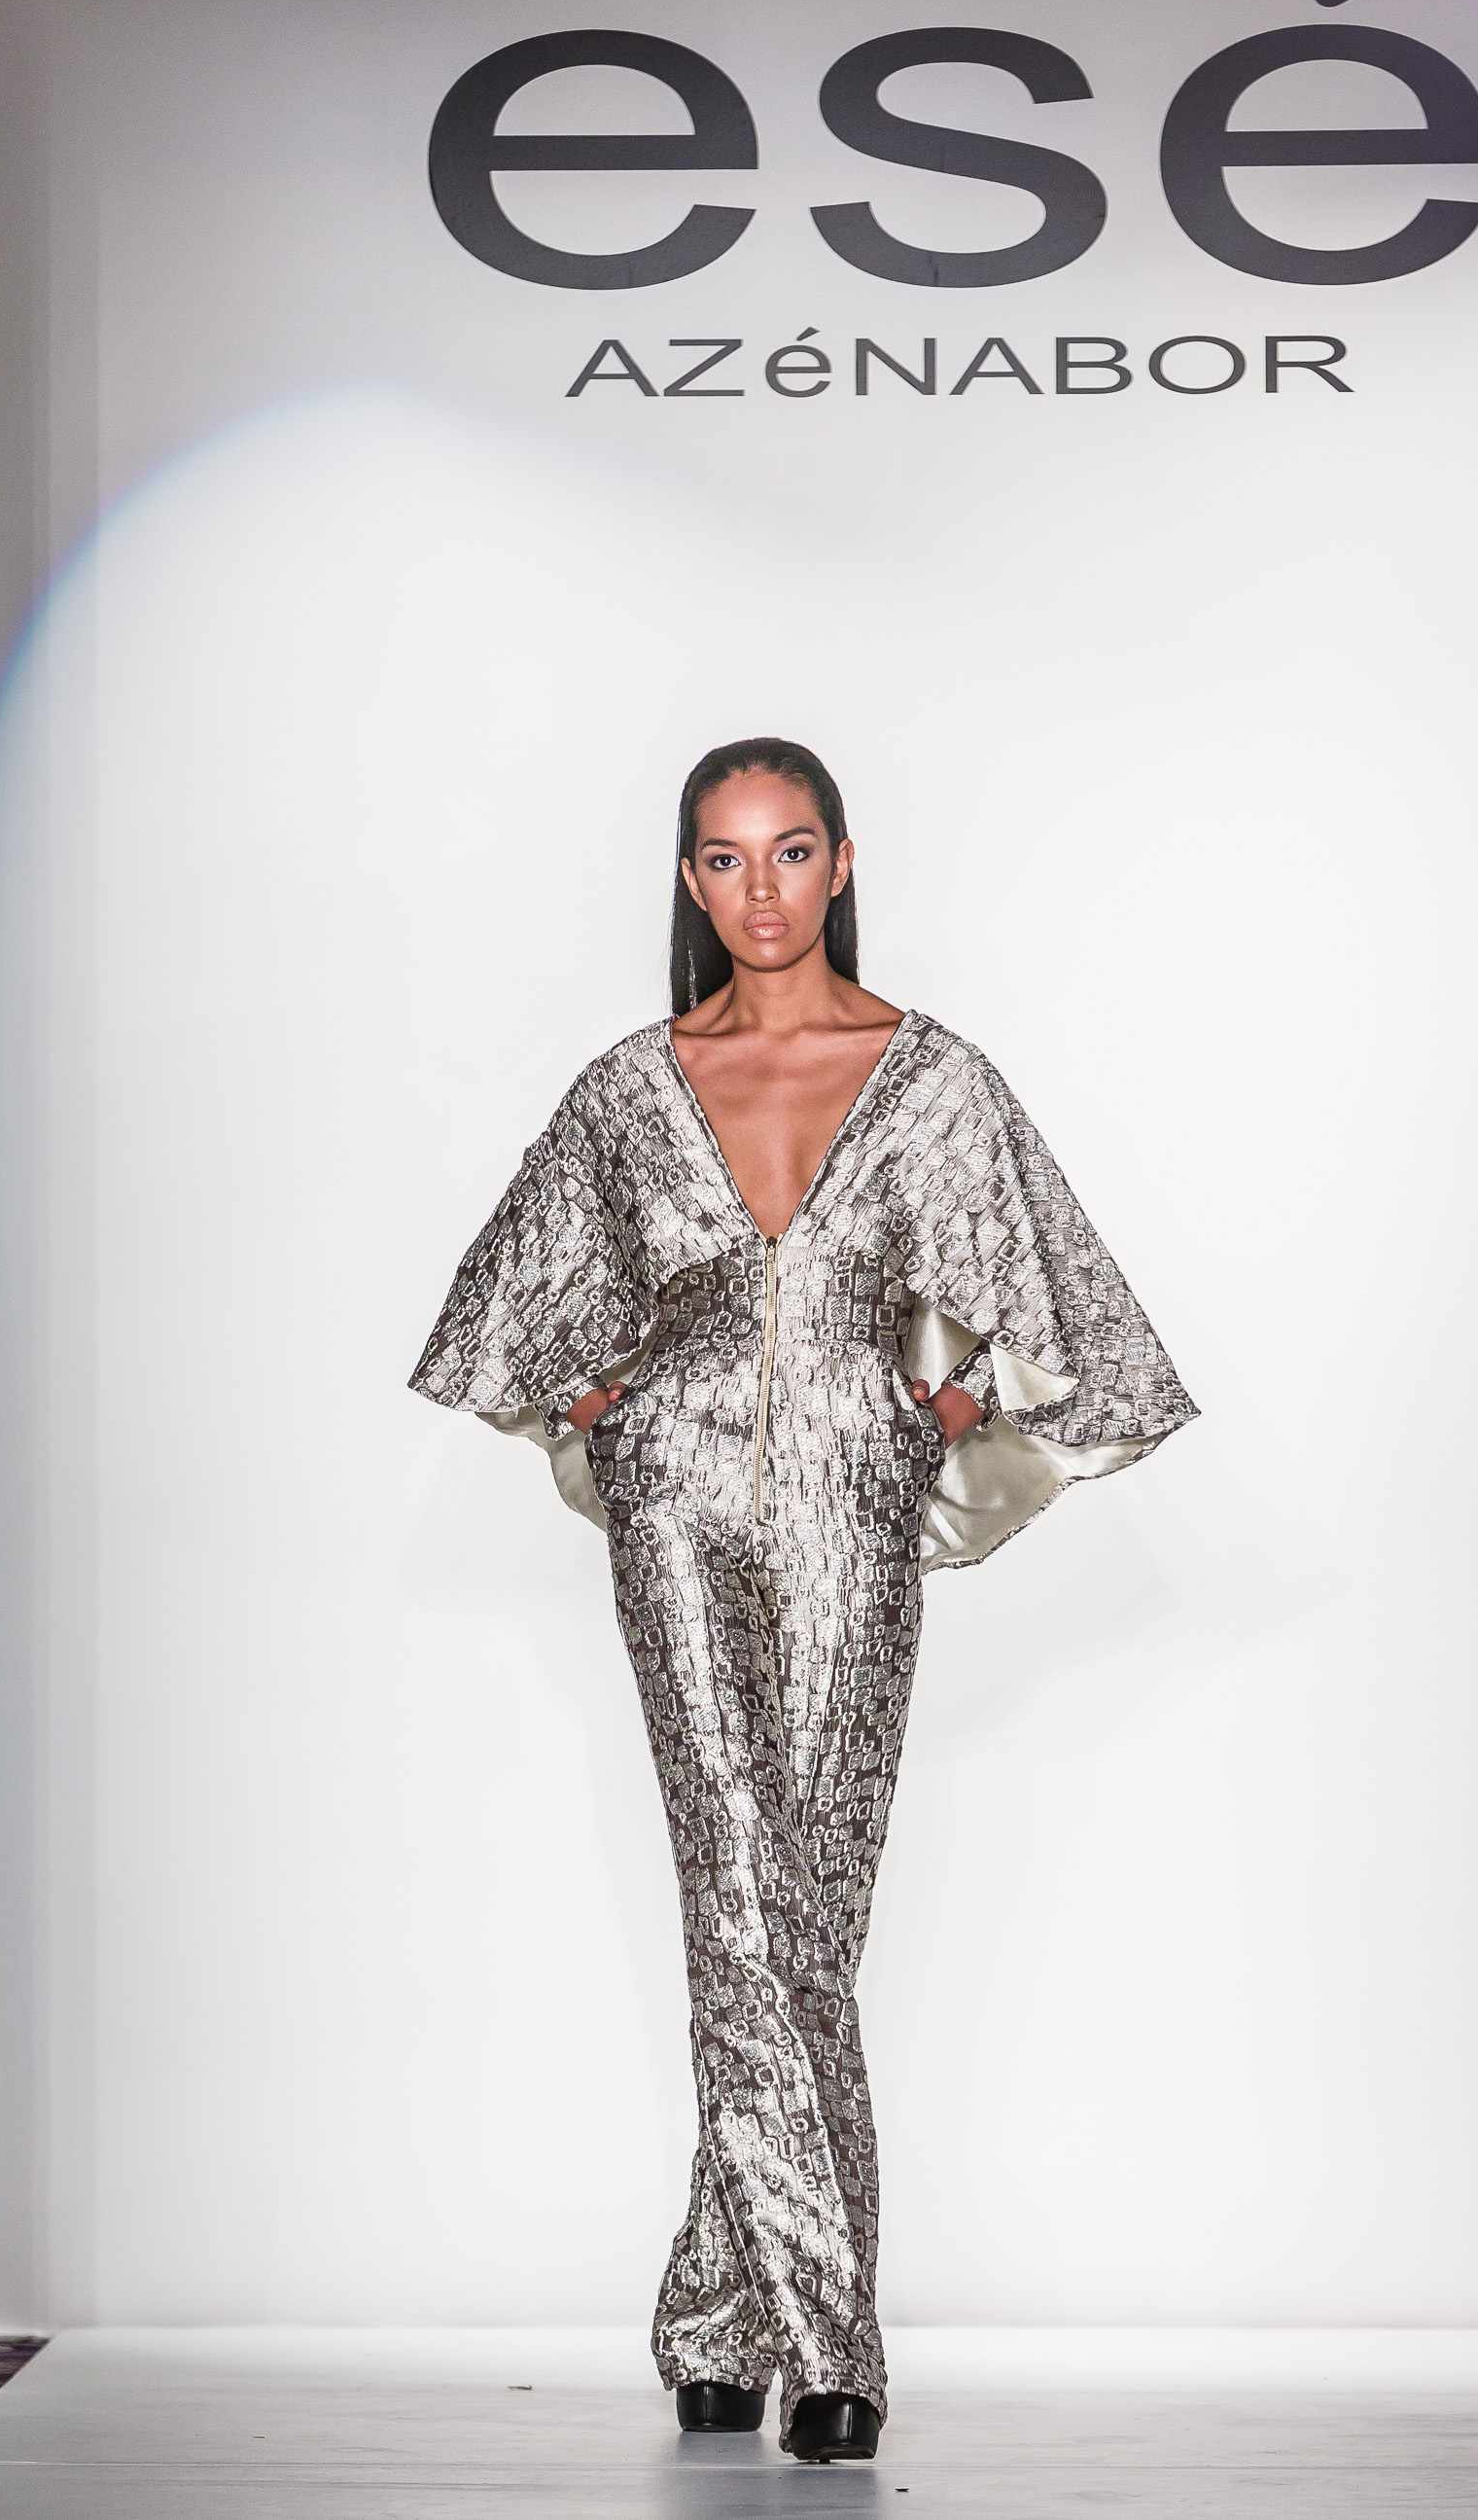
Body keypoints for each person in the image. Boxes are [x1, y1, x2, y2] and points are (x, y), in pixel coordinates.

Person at [410, 736, 1195, 2464]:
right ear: (689, 881)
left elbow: (1066, 1307)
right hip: (675, 1509)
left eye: (787, 851)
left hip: (857, 1494)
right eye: (722, 857)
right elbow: (506, 1310)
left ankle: (716, 2308)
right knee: (734, 1891)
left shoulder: (931, 1081)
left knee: (808, 1903)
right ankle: (835, 2344)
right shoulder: (634, 1088)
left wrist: (951, 1413)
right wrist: (604, 1407)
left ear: (840, 862)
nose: (756, 889)